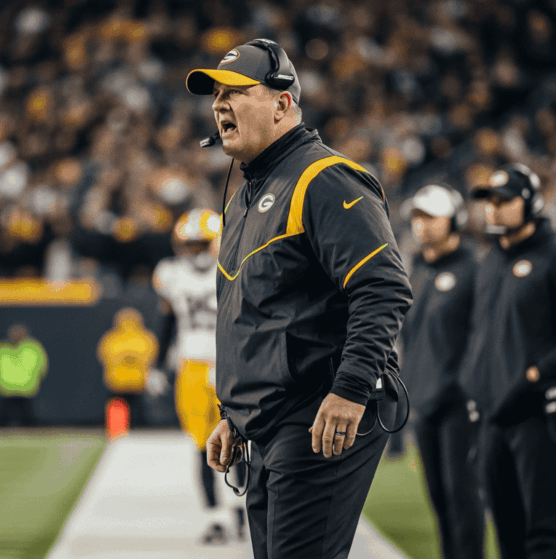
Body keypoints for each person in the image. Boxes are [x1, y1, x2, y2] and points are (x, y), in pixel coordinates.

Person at [187, 39, 413, 558]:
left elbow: (383, 287)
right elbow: (250, 316)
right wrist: (233, 412)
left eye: (236, 92)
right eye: (216, 95)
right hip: (272, 423)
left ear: (282, 103)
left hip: (319, 414)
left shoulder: (323, 177)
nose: (219, 104)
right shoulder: (244, 196)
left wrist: (351, 390)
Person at [462, 164, 556, 559]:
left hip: (540, 415)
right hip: (495, 415)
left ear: (531, 203)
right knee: (507, 530)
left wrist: (538, 372)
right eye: (489, 201)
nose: (493, 208)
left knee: (547, 530)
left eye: (504, 200)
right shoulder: (491, 261)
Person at [399, 184, 485, 559]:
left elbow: (482, 336)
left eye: (431, 216)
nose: (423, 225)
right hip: (424, 401)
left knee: (461, 494)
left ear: (455, 220)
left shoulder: (474, 268)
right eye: (418, 217)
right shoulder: (417, 268)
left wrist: (470, 388)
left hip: (459, 402)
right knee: (438, 497)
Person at [152, 208, 245, 544]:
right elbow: (168, 321)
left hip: (231, 365)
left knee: (241, 443)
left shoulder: (236, 268)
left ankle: (242, 511)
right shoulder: (171, 274)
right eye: (189, 245)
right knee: (202, 445)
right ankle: (217, 519)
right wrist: (159, 363)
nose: (194, 251)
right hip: (191, 365)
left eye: (201, 244)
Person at [98, 308, 158, 428]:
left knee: (117, 411)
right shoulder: (146, 338)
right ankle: (140, 430)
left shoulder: (111, 338)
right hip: (139, 382)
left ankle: (117, 433)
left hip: (117, 382)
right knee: (139, 415)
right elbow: (152, 358)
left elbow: (104, 357)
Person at [0, 324, 48, 427]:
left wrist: (34, 381)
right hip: (6, 389)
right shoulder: (1, 347)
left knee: (29, 420)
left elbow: (42, 366)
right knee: (1, 421)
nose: (16, 336)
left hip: (26, 388)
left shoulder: (33, 347)